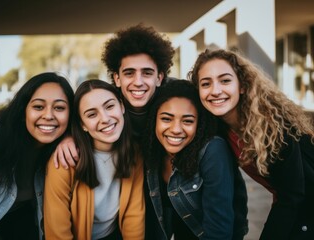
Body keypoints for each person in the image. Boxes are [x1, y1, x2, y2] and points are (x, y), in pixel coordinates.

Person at [188, 48, 314, 240]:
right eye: (206, 83)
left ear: (242, 85)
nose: (215, 90)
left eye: (225, 80)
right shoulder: (218, 127)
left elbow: (292, 195)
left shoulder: (274, 126)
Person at [0, 72, 74, 240]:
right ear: (23, 109)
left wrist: (70, 137)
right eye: (38, 107)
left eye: (59, 108)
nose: (48, 115)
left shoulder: (65, 146)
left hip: (24, 223)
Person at [54, 23, 175, 168]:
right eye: (129, 73)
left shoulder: (174, 99)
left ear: (159, 78)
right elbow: (81, 118)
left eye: (147, 73)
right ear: (117, 78)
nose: (138, 82)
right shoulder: (108, 102)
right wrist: (69, 138)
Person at [143, 79, 248, 239]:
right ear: (154, 120)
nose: (176, 129)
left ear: (199, 124)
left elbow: (219, 230)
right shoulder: (153, 152)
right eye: (166, 119)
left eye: (187, 121)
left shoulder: (213, 151)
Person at [44, 79, 145, 240]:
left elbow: (134, 214)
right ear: (83, 124)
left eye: (110, 106)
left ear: (122, 106)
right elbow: (57, 230)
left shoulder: (134, 153)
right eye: (91, 114)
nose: (104, 119)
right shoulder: (64, 161)